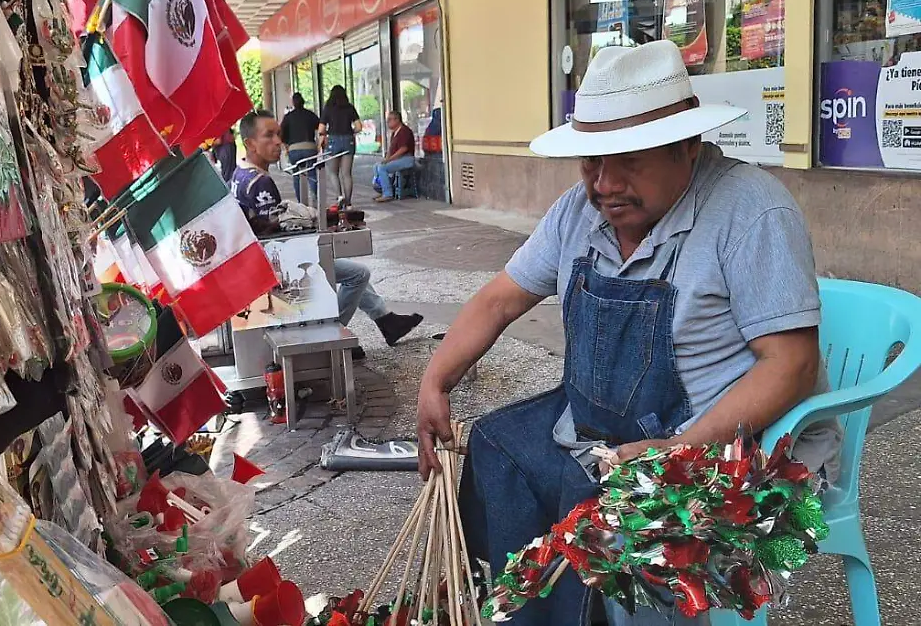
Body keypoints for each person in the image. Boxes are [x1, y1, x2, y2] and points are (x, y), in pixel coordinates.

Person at [415, 41, 840, 625]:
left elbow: (791, 365)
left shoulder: (751, 211)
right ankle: (519, 610)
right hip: (608, 432)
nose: (605, 185)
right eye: (592, 162)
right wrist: (434, 381)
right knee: (496, 448)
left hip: (730, 447)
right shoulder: (577, 212)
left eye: (629, 160)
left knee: (623, 521)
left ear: (688, 147)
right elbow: (498, 300)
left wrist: (677, 450)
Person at [233, 110, 424, 357]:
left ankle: (385, 320)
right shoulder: (259, 182)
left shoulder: (241, 172)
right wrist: (315, 227)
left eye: (278, 134)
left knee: (343, 267)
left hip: (260, 261)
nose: (278, 142)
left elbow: (269, 222)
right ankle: (332, 335)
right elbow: (277, 234)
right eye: (268, 136)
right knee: (358, 274)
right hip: (275, 268)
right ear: (249, 143)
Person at [319, 85, 361, 207]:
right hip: (348, 141)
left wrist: (327, 134)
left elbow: (321, 129)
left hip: (333, 141)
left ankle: (339, 196)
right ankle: (348, 202)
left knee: (333, 172)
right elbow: (359, 127)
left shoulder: (328, 108)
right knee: (347, 173)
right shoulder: (350, 108)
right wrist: (351, 132)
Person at [281, 92, 321, 203]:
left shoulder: (288, 117)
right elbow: (321, 127)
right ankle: (315, 198)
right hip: (310, 147)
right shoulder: (310, 114)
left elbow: (281, 134)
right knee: (312, 172)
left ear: (293, 103)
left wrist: (286, 148)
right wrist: (318, 144)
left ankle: (301, 201)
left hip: (294, 149)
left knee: (297, 175)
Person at [373, 111, 416, 202]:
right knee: (377, 166)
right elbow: (390, 149)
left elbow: (403, 149)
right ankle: (383, 188)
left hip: (407, 159)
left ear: (397, 120)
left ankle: (388, 194)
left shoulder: (404, 131)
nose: (387, 122)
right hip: (398, 159)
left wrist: (389, 160)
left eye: (389, 120)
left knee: (382, 168)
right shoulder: (394, 133)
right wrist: (386, 159)